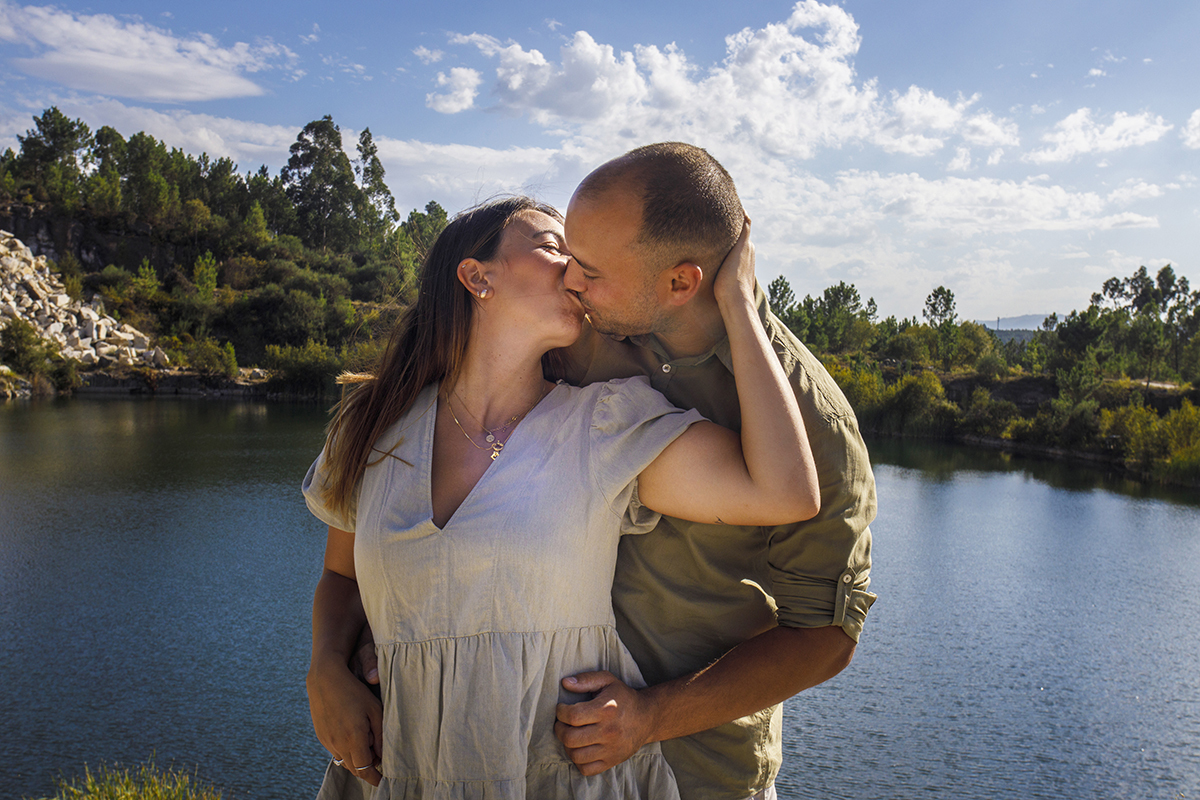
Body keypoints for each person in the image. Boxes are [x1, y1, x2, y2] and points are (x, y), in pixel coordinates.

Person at [302, 195, 821, 798]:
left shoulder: (605, 426)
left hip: (558, 776)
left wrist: (739, 304)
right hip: (398, 769)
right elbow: (342, 576)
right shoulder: (372, 423)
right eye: (553, 248)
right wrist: (326, 669)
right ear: (477, 277)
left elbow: (784, 491)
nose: (576, 271)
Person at [548, 142, 878, 800]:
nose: (569, 282)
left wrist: (650, 717)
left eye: (590, 270)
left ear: (680, 283)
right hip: (558, 757)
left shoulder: (813, 424)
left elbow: (825, 639)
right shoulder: (584, 336)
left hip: (698, 773)